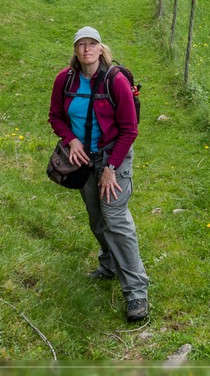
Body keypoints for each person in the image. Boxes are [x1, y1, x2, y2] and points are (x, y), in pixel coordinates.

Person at [48, 26, 149, 322]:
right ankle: (108, 265)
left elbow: (130, 130)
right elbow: (55, 116)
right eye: (81, 44)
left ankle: (137, 293)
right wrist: (71, 139)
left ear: (101, 48)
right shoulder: (64, 80)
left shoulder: (114, 81)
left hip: (113, 156)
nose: (86, 49)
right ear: (75, 50)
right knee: (96, 218)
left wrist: (111, 169)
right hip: (82, 159)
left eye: (92, 44)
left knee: (115, 219)